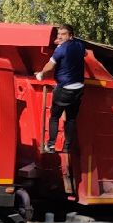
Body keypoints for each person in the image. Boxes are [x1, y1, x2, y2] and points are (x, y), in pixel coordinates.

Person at [35, 24, 86, 154]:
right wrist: (61, 42)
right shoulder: (80, 45)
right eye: (59, 34)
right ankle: (67, 147)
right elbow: (84, 53)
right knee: (71, 118)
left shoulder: (61, 50)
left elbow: (50, 65)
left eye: (63, 34)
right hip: (79, 88)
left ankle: (51, 145)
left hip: (64, 89)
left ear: (70, 35)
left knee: (54, 117)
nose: (60, 36)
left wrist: (41, 73)